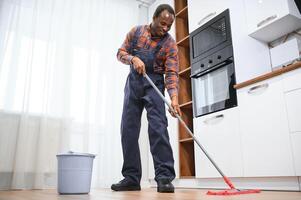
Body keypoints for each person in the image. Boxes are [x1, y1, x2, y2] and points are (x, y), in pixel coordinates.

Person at [111, 4, 181, 193]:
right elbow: (120, 53)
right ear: (154, 18)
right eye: (162, 23)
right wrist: (133, 59)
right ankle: (131, 178)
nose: (165, 28)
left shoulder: (170, 44)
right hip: (134, 84)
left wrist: (174, 99)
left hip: (155, 85)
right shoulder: (136, 32)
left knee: (158, 128)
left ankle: (164, 177)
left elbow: (172, 72)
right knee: (128, 130)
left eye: (169, 25)